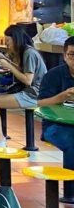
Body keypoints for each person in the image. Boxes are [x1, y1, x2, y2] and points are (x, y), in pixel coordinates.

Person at [0, 24, 47, 147]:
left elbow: (27, 80)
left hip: (34, 95)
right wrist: (8, 61)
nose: (7, 45)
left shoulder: (29, 53)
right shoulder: (26, 51)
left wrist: (9, 65)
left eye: (8, 41)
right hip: (29, 91)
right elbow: (22, 71)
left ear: (16, 39)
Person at [37, 36, 74, 190]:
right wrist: (63, 96)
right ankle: (70, 191)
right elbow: (40, 103)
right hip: (55, 126)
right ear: (65, 56)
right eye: (72, 54)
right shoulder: (53, 75)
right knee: (73, 142)